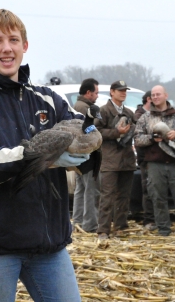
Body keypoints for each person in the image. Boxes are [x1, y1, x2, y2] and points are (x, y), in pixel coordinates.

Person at [0, 9, 87, 302]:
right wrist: (37, 155)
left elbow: (81, 128)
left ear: (25, 45)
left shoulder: (48, 98)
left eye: (13, 39)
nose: (6, 48)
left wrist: (85, 146)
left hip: (48, 245)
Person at [134, 85, 175, 236]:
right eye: (153, 95)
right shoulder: (145, 117)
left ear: (166, 96)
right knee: (158, 199)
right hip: (155, 164)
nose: (155, 97)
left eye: (158, 94)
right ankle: (164, 229)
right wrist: (151, 138)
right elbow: (137, 139)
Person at [95, 80, 136, 240]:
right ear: (112, 92)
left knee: (124, 197)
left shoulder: (129, 112)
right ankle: (103, 230)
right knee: (107, 196)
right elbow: (94, 130)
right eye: (120, 90)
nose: (123, 93)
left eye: (125, 90)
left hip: (127, 160)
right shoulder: (103, 111)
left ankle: (120, 227)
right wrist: (116, 132)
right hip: (110, 160)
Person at [71, 78, 101, 233]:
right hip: (88, 156)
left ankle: (77, 222)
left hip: (78, 156)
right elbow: (88, 131)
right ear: (88, 93)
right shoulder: (85, 108)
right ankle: (90, 225)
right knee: (91, 190)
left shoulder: (77, 105)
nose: (97, 96)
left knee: (80, 189)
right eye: (96, 92)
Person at [133, 90, 156, 231]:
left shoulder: (156, 114)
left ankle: (157, 218)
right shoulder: (139, 116)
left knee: (156, 189)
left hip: (157, 157)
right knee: (147, 189)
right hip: (144, 157)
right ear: (149, 99)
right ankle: (149, 220)